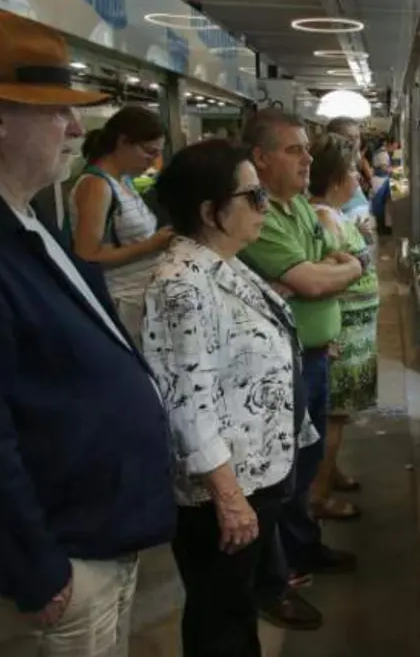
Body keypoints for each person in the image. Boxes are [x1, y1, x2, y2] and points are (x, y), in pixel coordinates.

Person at [0, 11, 173, 656]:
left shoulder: (10, 213)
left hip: (96, 540)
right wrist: (37, 572)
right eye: (57, 112)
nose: (76, 128)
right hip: (58, 571)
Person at [143, 140, 320, 655]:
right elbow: (187, 403)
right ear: (210, 211)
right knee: (219, 617)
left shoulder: (223, 262)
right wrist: (228, 498)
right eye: (254, 196)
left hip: (256, 474)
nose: (265, 207)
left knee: (236, 607)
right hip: (224, 492)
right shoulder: (182, 284)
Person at [237, 110, 363, 620]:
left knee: (306, 465)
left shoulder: (300, 211)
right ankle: (275, 579)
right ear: (260, 159)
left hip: (312, 354)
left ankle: (303, 547)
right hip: (274, 365)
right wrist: (321, 275)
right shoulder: (260, 214)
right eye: (295, 150)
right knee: (276, 476)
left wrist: (333, 271)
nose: (308, 159)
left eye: (308, 150)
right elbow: (314, 281)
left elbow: (341, 261)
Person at [306, 134, 381, 522]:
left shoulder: (332, 213)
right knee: (333, 417)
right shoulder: (322, 215)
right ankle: (318, 497)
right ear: (336, 178)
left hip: (353, 328)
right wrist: (356, 259)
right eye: (352, 169)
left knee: (338, 416)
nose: (358, 176)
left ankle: (329, 474)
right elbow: (334, 271)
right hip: (342, 332)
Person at [69, 106, 175, 341]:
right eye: (148, 152)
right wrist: (150, 245)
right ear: (123, 141)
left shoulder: (124, 181)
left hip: (141, 300)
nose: (152, 161)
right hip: (121, 302)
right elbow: (87, 256)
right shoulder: (96, 186)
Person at [324, 117, 376, 241]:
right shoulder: (330, 169)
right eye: (349, 137)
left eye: (357, 137)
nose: (354, 142)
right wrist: (353, 230)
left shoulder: (354, 161)